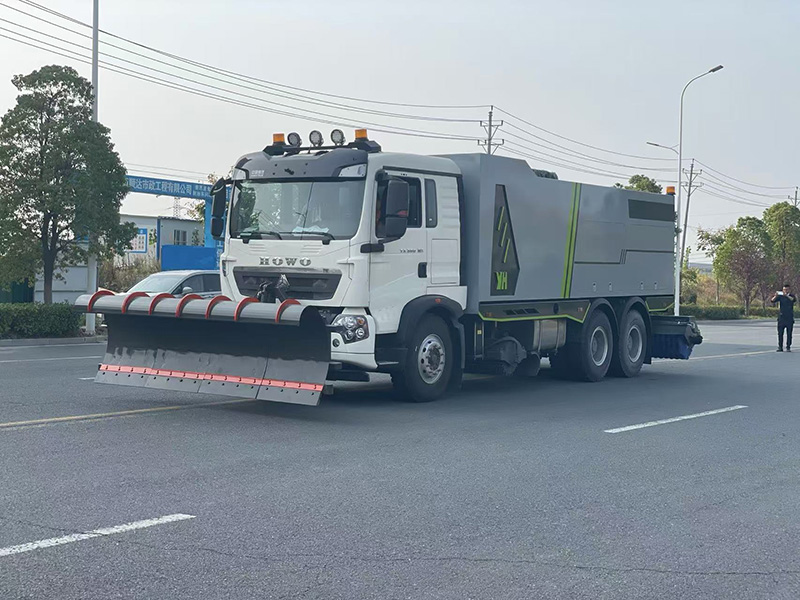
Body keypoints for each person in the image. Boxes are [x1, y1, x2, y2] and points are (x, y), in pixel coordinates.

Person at [770, 284, 796, 352]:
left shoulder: (791, 296)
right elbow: (772, 301)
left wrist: (786, 295)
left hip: (789, 318)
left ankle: (788, 347)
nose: (785, 291)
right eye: (784, 289)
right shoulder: (780, 297)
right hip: (781, 317)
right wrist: (775, 296)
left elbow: (793, 300)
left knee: (789, 333)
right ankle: (780, 347)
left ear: (789, 289)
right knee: (780, 333)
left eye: (786, 289)